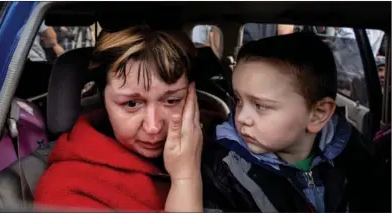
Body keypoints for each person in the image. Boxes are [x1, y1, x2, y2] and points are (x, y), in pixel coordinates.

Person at [201, 33, 387, 212]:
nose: (240, 117)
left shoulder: (356, 155)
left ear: (317, 115)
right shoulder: (221, 170)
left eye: (260, 105)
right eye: (239, 100)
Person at [34, 25, 204, 212]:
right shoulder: (65, 192)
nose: (153, 126)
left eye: (172, 100)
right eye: (131, 104)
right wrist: (185, 178)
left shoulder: (221, 137)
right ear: (102, 98)